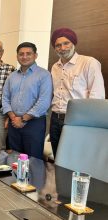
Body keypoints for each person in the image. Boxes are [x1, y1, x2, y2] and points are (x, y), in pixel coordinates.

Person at [50, 28, 105, 157]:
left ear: (73, 43)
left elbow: (97, 96)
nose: (62, 48)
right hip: (55, 118)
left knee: (76, 159)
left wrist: (88, 122)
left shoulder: (89, 63)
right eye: (58, 45)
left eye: (66, 43)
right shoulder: (54, 67)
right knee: (58, 159)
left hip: (78, 120)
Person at [2, 42, 52, 160]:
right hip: (14, 123)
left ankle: (34, 180)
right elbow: (5, 98)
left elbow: (44, 101)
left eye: (28, 54)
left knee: (33, 160)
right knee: (14, 159)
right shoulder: (12, 76)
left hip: (34, 123)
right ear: (17, 56)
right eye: (21, 54)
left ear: (35, 55)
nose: (24, 57)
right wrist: (13, 117)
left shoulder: (44, 75)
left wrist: (24, 118)